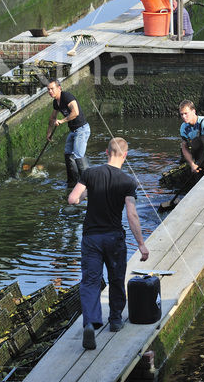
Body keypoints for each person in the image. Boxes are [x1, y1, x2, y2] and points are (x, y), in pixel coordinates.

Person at [68, 137, 149, 350]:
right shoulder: (127, 182)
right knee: (116, 278)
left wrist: (87, 194)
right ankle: (115, 320)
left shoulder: (90, 174)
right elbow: (131, 214)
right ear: (125, 155)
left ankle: (90, 323)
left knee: (90, 282)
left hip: (91, 238)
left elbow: (73, 199)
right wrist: (141, 243)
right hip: (114, 238)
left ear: (106, 152)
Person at [46, 80, 91, 187]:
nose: (50, 91)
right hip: (73, 131)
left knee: (78, 155)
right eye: (48, 90)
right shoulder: (55, 102)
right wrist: (48, 133)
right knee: (68, 154)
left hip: (82, 129)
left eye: (52, 88)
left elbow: (75, 112)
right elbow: (52, 118)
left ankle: (88, 183)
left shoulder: (67, 97)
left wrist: (61, 121)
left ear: (59, 88)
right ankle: (72, 182)